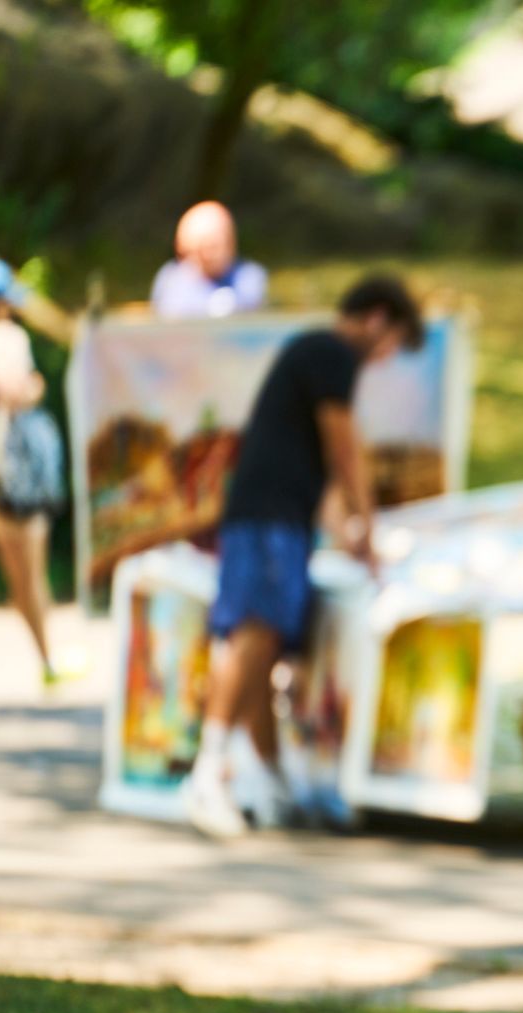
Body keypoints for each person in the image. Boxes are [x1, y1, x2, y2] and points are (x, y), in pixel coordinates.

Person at [184, 275, 422, 838]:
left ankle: (265, 780)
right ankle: (208, 771)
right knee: (253, 635)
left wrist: (348, 530)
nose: (386, 358)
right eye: (393, 344)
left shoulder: (313, 354)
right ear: (378, 319)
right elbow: (344, 448)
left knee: (260, 645)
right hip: (267, 519)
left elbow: (319, 467)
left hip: (271, 517)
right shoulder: (331, 353)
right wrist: (368, 522)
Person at [0, 257, 59, 705]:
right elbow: (13, 390)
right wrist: (36, 388)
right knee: (26, 574)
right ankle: (47, 664)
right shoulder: (6, 337)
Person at [150, 201, 269, 319]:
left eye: (213, 246)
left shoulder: (249, 277)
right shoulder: (171, 278)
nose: (207, 255)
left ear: (230, 243)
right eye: (200, 247)